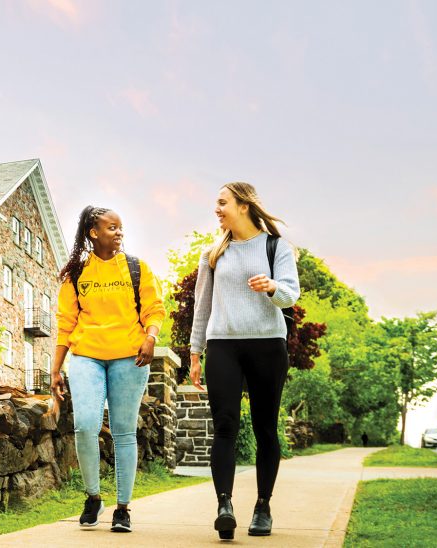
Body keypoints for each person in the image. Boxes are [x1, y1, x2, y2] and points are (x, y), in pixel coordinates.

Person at [188, 182, 300, 540]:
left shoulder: (275, 246)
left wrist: (271, 287)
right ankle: (225, 506)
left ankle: (263, 507)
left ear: (244, 205)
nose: (217, 209)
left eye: (222, 203)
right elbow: (202, 306)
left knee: (266, 427)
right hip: (223, 346)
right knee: (224, 426)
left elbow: (290, 295)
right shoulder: (213, 254)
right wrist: (194, 352)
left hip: (267, 345)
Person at [50, 205, 165, 533]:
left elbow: (155, 308)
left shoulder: (135, 268)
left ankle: (123, 508)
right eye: (112, 227)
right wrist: (55, 369)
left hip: (130, 356)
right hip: (86, 356)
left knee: (124, 430)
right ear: (93, 232)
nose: (119, 233)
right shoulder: (76, 274)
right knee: (85, 425)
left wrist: (151, 336)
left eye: (121, 228)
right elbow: (65, 324)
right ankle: (93, 497)